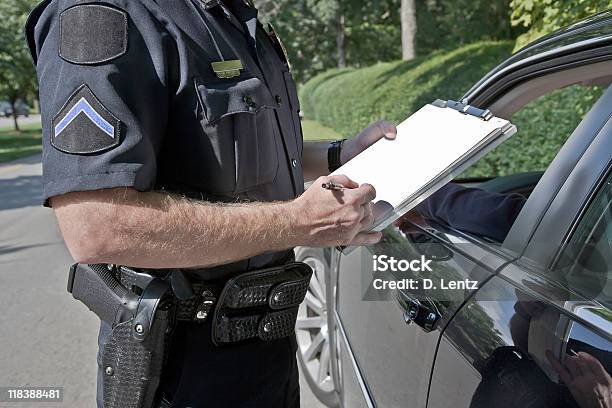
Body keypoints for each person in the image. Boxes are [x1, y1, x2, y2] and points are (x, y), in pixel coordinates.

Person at [25, 0, 397, 406]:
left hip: (270, 353)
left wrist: (339, 155)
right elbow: (96, 226)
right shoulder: (103, 14)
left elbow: (242, 153)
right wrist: (297, 223)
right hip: (184, 368)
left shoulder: (232, 17)